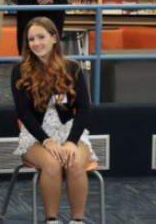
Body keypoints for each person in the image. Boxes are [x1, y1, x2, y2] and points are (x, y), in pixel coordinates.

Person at [11, 17, 95, 224]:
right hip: (36, 134)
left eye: (41, 37)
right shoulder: (19, 70)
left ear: (54, 38)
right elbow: (23, 112)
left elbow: (83, 108)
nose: (36, 43)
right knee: (52, 165)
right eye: (31, 39)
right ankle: (52, 220)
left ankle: (77, 220)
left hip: (69, 132)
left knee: (74, 163)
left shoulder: (72, 68)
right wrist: (46, 141)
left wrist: (71, 142)